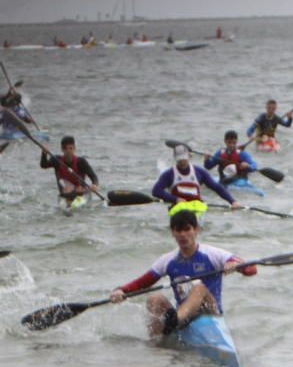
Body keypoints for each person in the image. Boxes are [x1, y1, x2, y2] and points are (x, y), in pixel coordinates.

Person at [109, 209, 257, 337]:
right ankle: (157, 344)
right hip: (185, 316)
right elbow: (143, 283)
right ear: (172, 232)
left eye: (187, 229)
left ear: (196, 230)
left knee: (199, 287)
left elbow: (251, 270)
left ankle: (174, 322)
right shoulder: (168, 260)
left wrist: (235, 265)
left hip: (210, 313)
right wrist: (121, 290)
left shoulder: (213, 254)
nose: (183, 235)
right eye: (178, 231)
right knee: (154, 299)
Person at [151, 145, 241, 213]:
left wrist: (232, 201)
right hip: (178, 208)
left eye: (184, 159)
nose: (182, 162)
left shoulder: (199, 172)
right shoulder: (169, 174)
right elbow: (156, 191)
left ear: (189, 157)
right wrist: (175, 199)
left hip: (196, 207)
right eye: (180, 160)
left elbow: (216, 187)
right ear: (175, 159)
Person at [39, 136, 100, 208]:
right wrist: (44, 154)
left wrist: (94, 185)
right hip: (65, 196)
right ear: (62, 149)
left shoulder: (81, 162)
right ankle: (68, 202)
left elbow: (93, 176)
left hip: (80, 195)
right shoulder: (56, 160)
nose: (68, 151)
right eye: (65, 149)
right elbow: (43, 165)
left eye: (71, 148)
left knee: (79, 191)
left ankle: (73, 201)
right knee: (67, 192)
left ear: (74, 148)